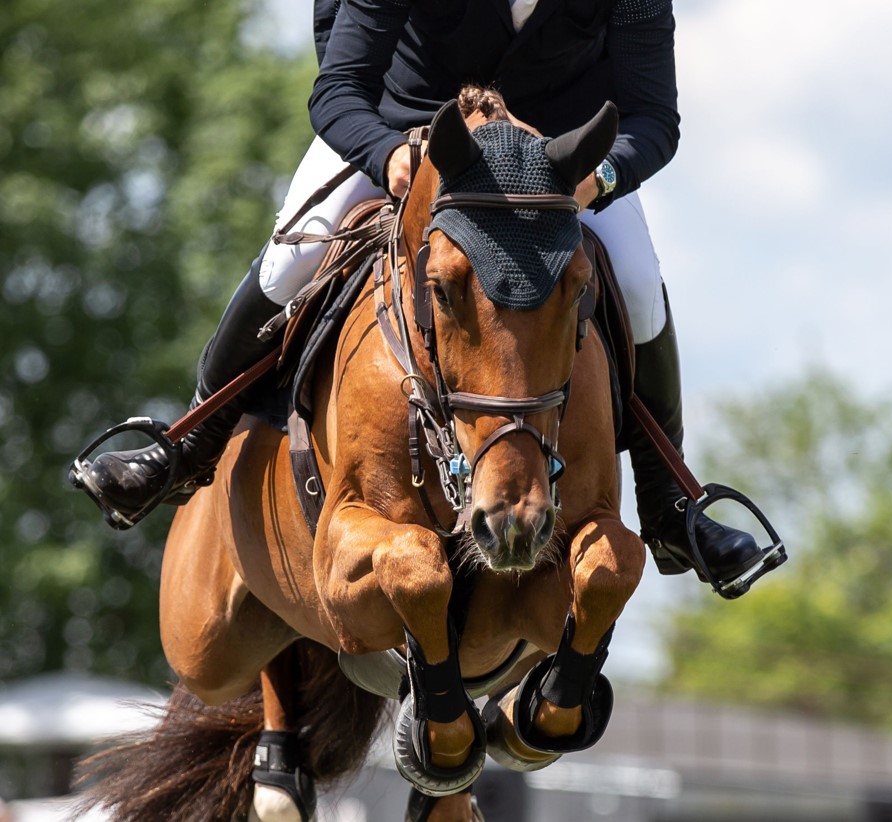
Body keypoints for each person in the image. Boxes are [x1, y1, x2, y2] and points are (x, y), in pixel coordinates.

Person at [79, 0, 772, 591]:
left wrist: (599, 180)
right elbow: (337, 88)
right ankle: (186, 445)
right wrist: (388, 155)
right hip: (410, 132)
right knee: (298, 254)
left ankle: (670, 505)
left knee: (640, 286)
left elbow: (655, 118)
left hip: (555, 165)